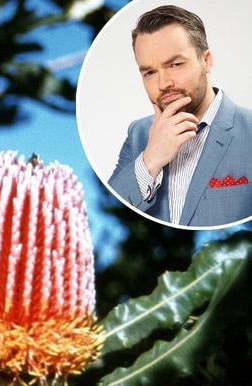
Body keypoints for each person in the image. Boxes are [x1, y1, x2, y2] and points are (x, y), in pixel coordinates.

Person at [108, 5, 252, 227]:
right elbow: (110, 209)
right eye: (150, 72)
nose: (164, 83)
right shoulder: (138, 134)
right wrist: (151, 160)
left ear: (207, 61)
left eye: (175, 65)